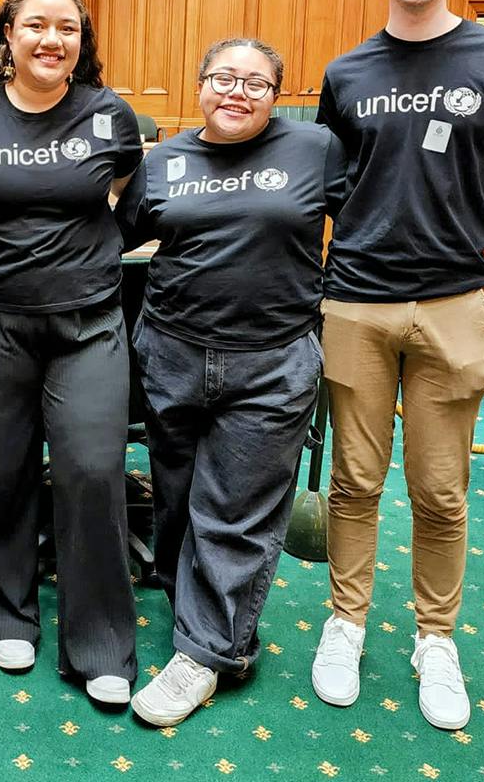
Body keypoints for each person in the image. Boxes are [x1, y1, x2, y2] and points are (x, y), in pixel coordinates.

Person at [310, 0, 484, 731]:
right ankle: (346, 622)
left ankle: (434, 637)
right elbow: (325, 188)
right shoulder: (346, 73)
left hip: (456, 300)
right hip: (356, 300)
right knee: (354, 483)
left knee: (442, 491)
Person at [116, 38, 347, 726]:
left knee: (235, 512)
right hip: (173, 353)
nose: (237, 93)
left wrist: (468, 240)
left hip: (271, 361)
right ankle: (195, 609)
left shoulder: (315, 150)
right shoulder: (165, 161)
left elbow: (374, 218)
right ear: (200, 85)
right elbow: (113, 238)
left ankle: (209, 653)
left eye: (255, 83)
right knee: (179, 498)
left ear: (277, 95)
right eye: (223, 78)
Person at [0, 0, 142, 705]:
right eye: (36, 26)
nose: (52, 40)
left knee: (93, 467)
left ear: (82, 42)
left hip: (89, 319)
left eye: (68, 29)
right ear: (6, 37)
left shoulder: (108, 113)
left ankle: (101, 643)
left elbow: (133, 192)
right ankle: (3, 616)